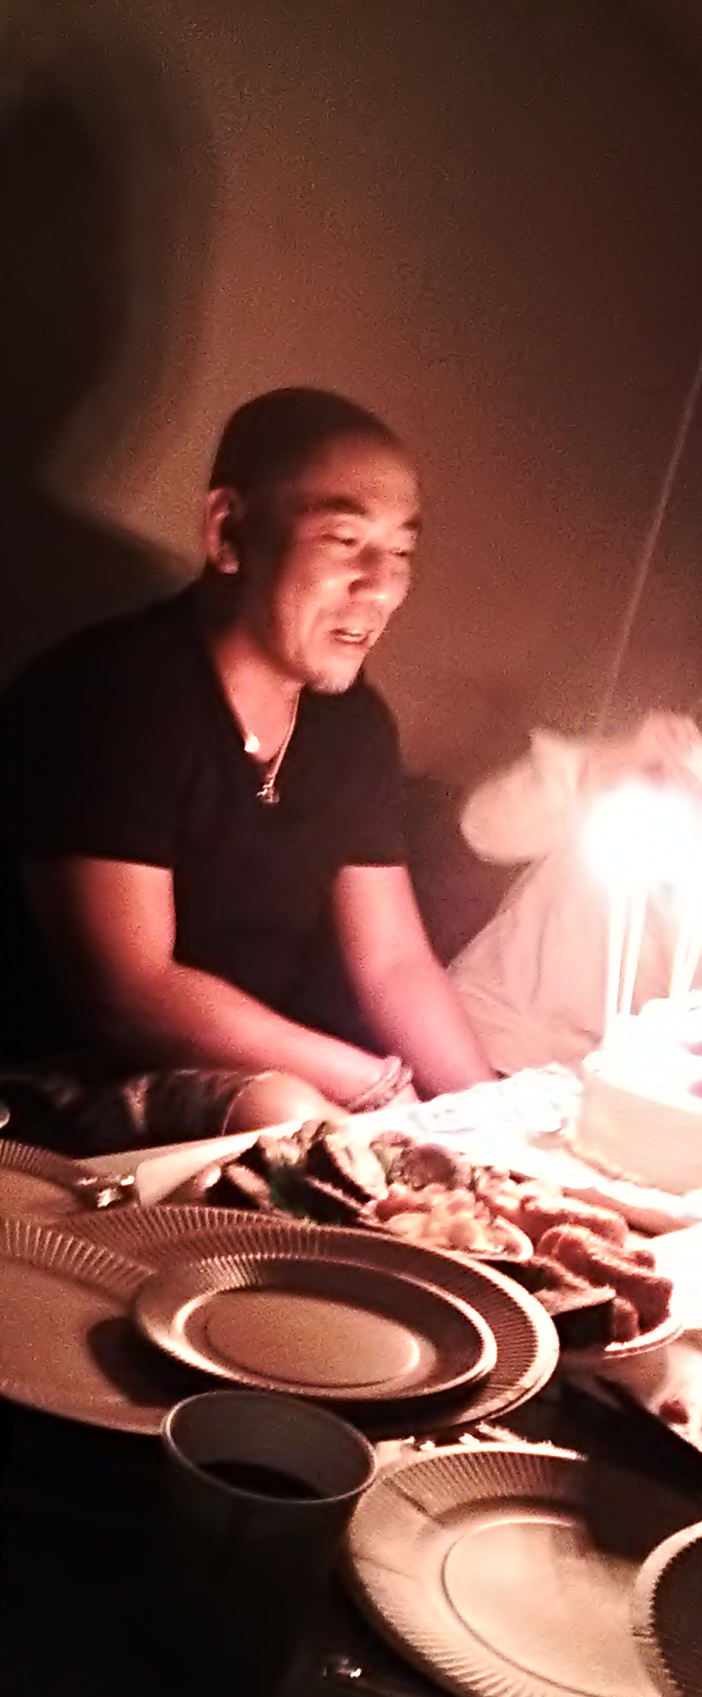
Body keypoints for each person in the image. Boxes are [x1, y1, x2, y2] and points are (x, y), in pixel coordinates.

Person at [0, 387, 492, 1153]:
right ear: (229, 532)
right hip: (49, 1081)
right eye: (344, 541)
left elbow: (394, 962)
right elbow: (130, 991)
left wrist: (489, 1111)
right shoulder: (117, 692)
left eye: (400, 552)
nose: (381, 586)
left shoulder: (352, 726)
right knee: (294, 1116)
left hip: (236, 1075)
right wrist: (374, 1084)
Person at [449, 704, 702, 1073]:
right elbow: (482, 827)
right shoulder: (623, 799)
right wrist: (620, 755)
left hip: (597, 1092)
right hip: (481, 1047)